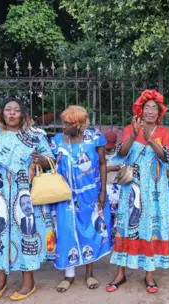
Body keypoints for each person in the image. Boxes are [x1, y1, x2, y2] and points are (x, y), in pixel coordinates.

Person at [0, 97, 54, 301]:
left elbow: (50, 162)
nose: (11, 113)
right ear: (2, 114)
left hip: (24, 195)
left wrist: (42, 160)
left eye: (15, 110)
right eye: (8, 110)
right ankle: (1, 279)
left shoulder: (35, 136)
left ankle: (28, 280)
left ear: (23, 115)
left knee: (26, 234)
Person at [107, 90, 169, 294]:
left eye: (155, 108)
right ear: (140, 111)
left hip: (155, 189)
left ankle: (149, 274)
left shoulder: (165, 133)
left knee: (151, 226)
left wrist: (149, 139)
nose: (151, 111)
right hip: (132, 187)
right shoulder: (129, 128)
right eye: (147, 108)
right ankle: (121, 273)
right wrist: (134, 135)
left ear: (159, 112)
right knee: (127, 224)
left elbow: (167, 158)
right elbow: (122, 153)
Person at [51, 105, 112, 292]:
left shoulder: (94, 138)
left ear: (78, 125)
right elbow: (51, 164)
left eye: (68, 123)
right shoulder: (56, 142)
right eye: (63, 122)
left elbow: (102, 163)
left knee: (90, 231)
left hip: (91, 194)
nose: (63, 126)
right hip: (65, 196)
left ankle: (89, 273)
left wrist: (102, 192)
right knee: (67, 231)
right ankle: (69, 275)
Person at [105, 131, 122, 241]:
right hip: (104, 187)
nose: (108, 149)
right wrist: (112, 168)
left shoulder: (119, 154)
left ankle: (116, 235)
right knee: (107, 212)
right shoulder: (98, 153)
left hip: (117, 187)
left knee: (117, 212)